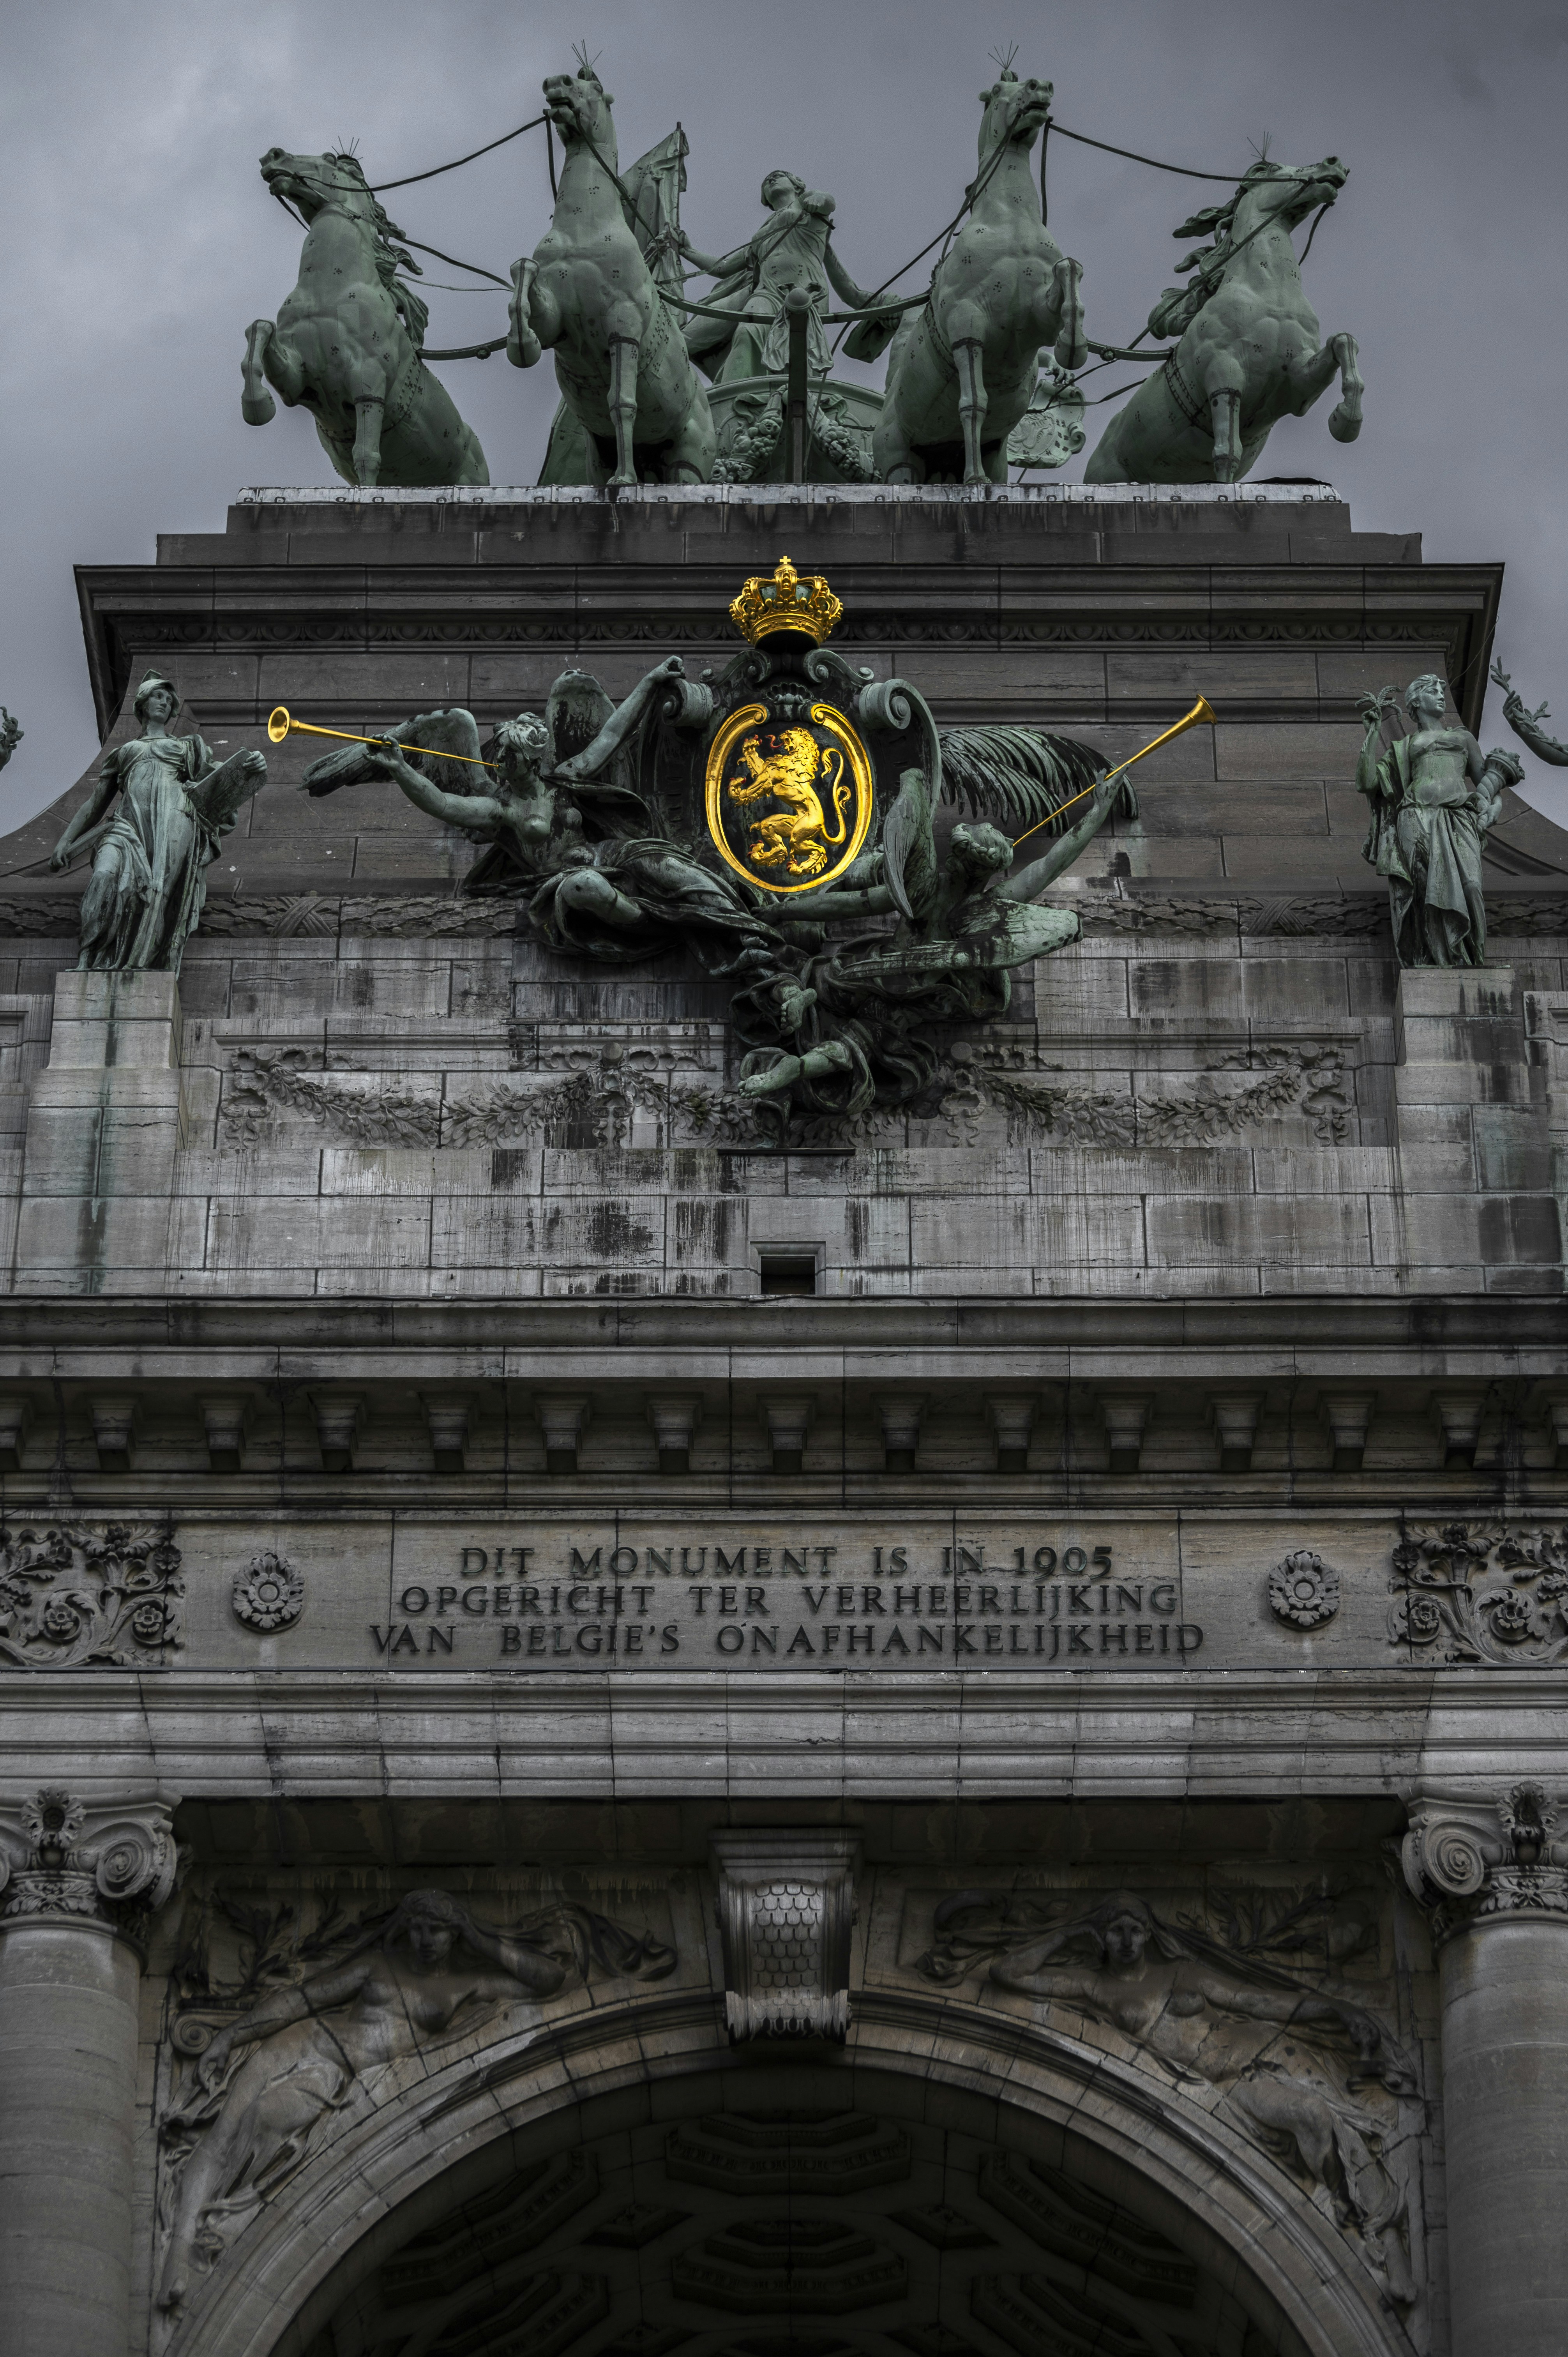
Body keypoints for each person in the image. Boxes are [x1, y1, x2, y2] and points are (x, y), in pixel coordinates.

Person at [155, 1891, 575, 2312]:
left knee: (266, 2119)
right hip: (304, 2043)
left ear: (456, 1933)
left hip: (334, 2079)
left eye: (438, 1930)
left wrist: (480, 1939)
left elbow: (551, 1980)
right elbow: (300, 2001)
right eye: (417, 1928)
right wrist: (231, 2036)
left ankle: (218, 2227)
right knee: (222, 2134)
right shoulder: (377, 1966)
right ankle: (180, 2247)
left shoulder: (469, 1983)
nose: (425, 1939)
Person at [363, 658, 795, 977]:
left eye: (508, 757)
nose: (499, 764)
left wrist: (648, 681)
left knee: (665, 864)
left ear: (530, 761)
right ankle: (664, 926)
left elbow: (611, 735)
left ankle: (744, 929)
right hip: (570, 878)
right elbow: (442, 804)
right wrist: (401, 768)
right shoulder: (501, 808)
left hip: (609, 854)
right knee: (585, 887)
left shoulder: (563, 780)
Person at [50, 670, 267, 974]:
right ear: (142, 704)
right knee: (104, 877)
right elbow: (96, 803)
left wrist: (253, 763)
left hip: (175, 818)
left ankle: (141, 964)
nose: (164, 702)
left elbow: (221, 775)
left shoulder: (187, 747)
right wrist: (66, 841)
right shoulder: (125, 752)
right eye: (158, 696)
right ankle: (90, 955)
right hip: (126, 826)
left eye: (169, 699)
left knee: (158, 890)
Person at [1356, 673, 1523, 967]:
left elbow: (1489, 785)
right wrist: (1371, 735)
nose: (1441, 695)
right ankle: (1433, 961)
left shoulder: (1463, 738)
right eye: (1433, 691)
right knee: (1424, 892)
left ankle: (1472, 958)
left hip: (1459, 816)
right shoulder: (1405, 746)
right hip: (1415, 816)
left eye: (1441, 690)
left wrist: (1496, 808)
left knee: (1471, 885)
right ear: (1416, 701)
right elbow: (1368, 782)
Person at [677, 170, 880, 383]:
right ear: (765, 198)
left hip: (807, 292)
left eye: (778, 176)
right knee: (746, 333)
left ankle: (795, 401)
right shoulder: (761, 233)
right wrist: (687, 251)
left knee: (799, 353)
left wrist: (819, 199)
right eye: (766, 181)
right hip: (767, 292)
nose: (771, 179)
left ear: (797, 185)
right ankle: (736, 399)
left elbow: (827, 201)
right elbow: (723, 268)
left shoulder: (805, 206)